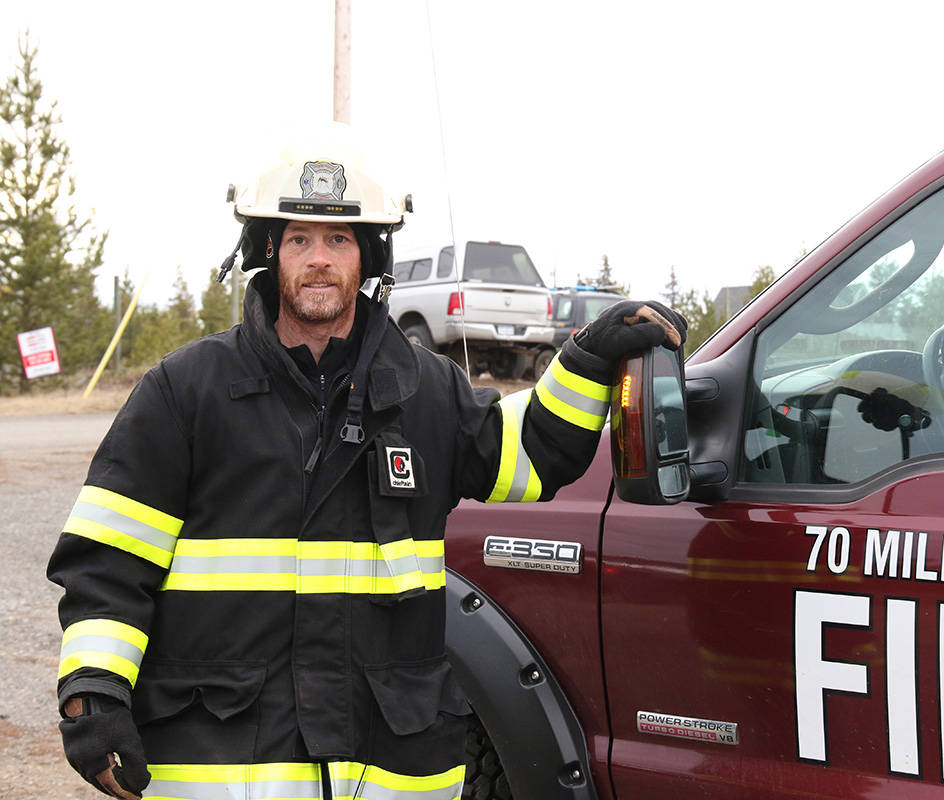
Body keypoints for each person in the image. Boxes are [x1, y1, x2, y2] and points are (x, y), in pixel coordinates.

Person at [47, 126, 685, 800]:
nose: (318, 260)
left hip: (387, 768)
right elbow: (109, 561)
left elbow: (526, 452)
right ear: (269, 251)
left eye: (338, 240)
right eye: (299, 239)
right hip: (221, 766)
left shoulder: (426, 391)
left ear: (368, 256)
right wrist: (93, 693)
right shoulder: (185, 392)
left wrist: (586, 359)